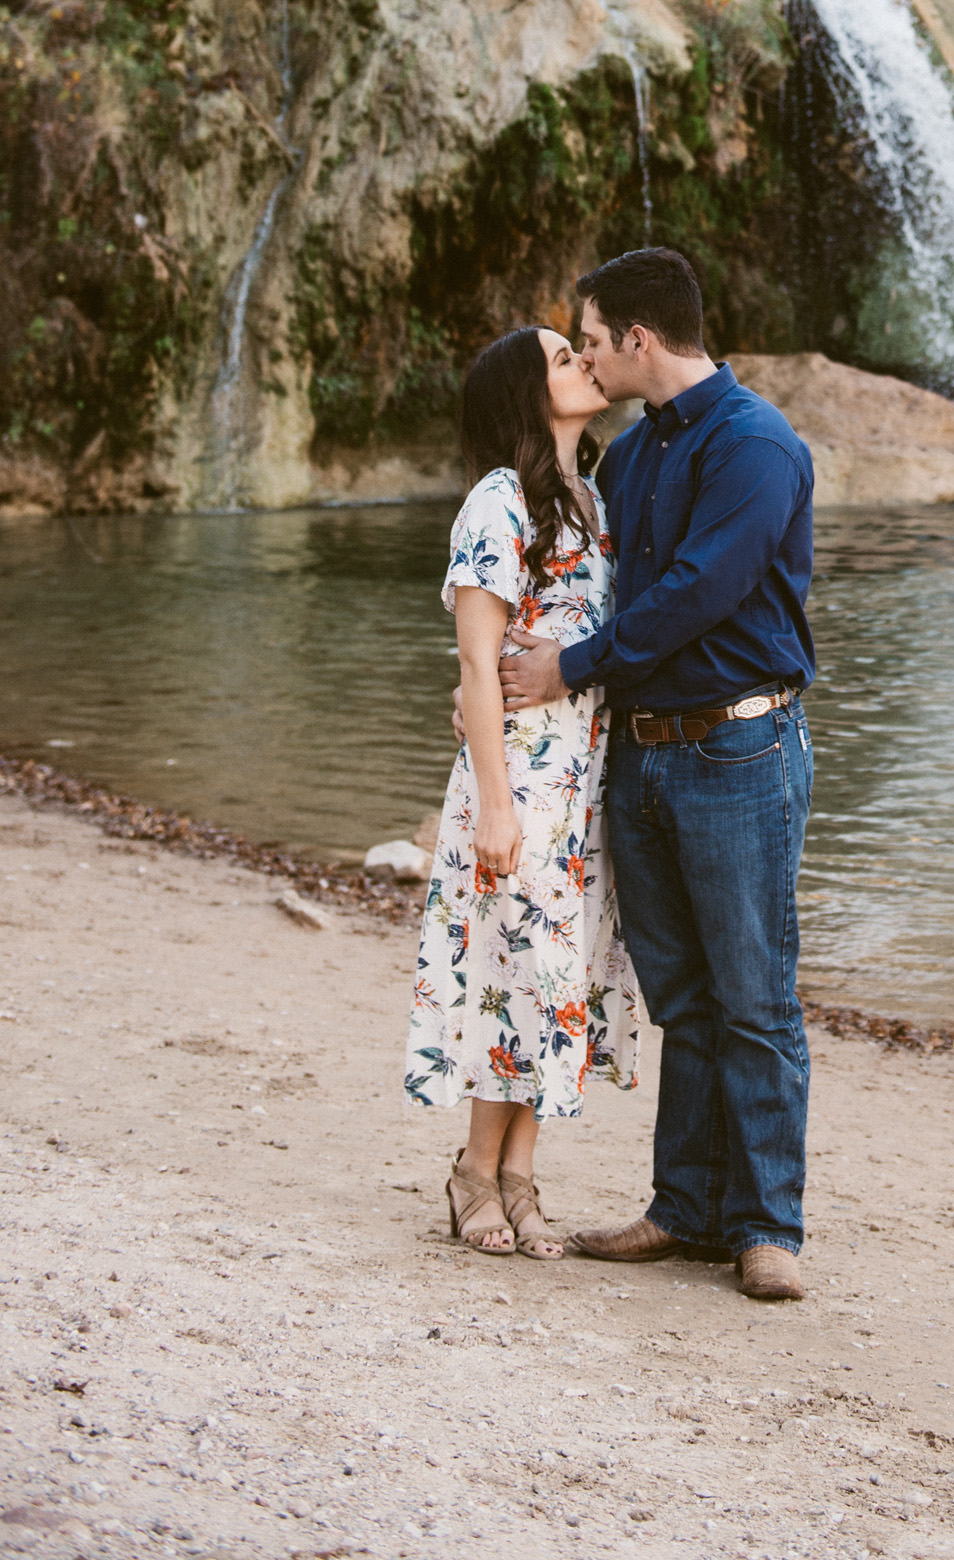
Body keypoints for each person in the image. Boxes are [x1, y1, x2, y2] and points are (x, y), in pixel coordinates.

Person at [499, 246, 817, 1304]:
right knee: (686, 994)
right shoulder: (632, 457)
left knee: (755, 995)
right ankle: (684, 1208)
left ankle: (768, 1225)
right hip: (641, 752)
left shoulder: (755, 444)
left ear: (639, 337)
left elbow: (696, 592)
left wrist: (567, 668)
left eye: (591, 336)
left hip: (739, 745)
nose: (585, 353)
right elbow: (590, 574)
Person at [404, 326, 639, 1257]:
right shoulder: (497, 502)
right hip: (522, 776)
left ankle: (519, 1175)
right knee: (513, 972)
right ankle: (476, 1173)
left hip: (586, 778)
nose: (584, 361)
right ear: (524, 397)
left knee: (561, 975)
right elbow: (473, 656)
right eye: (561, 357)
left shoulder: (595, 496)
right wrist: (495, 802)